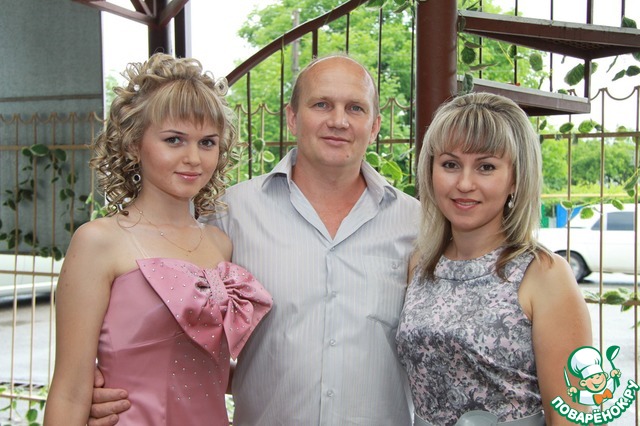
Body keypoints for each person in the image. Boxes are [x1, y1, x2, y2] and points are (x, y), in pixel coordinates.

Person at [88, 54, 421, 426]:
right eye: (322, 104)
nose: (338, 121)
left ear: (375, 126)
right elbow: (163, 325)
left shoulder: (417, 224)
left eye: (355, 108)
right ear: (292, 117)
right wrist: (112, 385)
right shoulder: (228, 216)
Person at [43, 53, 272, 426]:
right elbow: (69, 391)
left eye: (207, 142)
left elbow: (207, 368)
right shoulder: (99, 242)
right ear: (134, 144)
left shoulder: (220, 243)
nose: (193, 158)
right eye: (174, 140)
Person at [395, 92, 592, 425]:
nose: (464, 183)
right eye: (450, 164)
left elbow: (572, 418)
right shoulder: (421, 265)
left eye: (486, 167)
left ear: (515, 178)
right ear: (430, 171)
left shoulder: (544, 274)